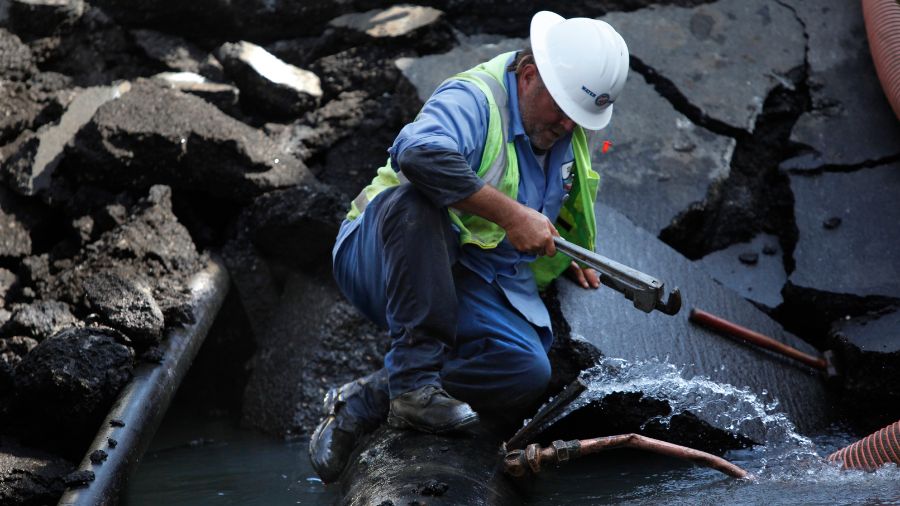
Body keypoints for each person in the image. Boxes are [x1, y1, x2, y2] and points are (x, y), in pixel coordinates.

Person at [309, 11, 630, 482]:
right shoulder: (475, 98)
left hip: (464, 270)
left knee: (525, 370)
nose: (567, 125)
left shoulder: (565, 132)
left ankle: (372, 396)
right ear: (527, 76)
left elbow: (564, 201)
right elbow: (417, 153)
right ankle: (414, 382)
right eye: (562, 109)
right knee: (416, 200)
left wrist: (573, 255)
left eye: (578, 117)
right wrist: (511, 215)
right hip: (378, 255)